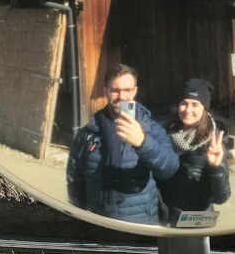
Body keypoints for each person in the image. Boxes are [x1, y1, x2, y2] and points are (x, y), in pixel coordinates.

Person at [66, 63, 178, 224]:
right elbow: (74, 180)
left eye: (127, 90)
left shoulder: (151, 129)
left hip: (140, 225)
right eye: (115, 90)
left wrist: (143, 142)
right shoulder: (88, 133)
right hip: (99, 225)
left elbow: (170, 168)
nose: (121, 96)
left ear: (135, 91)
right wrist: (80, 220)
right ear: (105, 91)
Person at [159, 78, 231, 225]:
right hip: (167, 217)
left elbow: (221, 197)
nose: (188, 110)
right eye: (184, 103)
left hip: (196, 220)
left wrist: (215, 168)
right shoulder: (166, 133)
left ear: (205, 109)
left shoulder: (213, 142)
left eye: (195, 105)